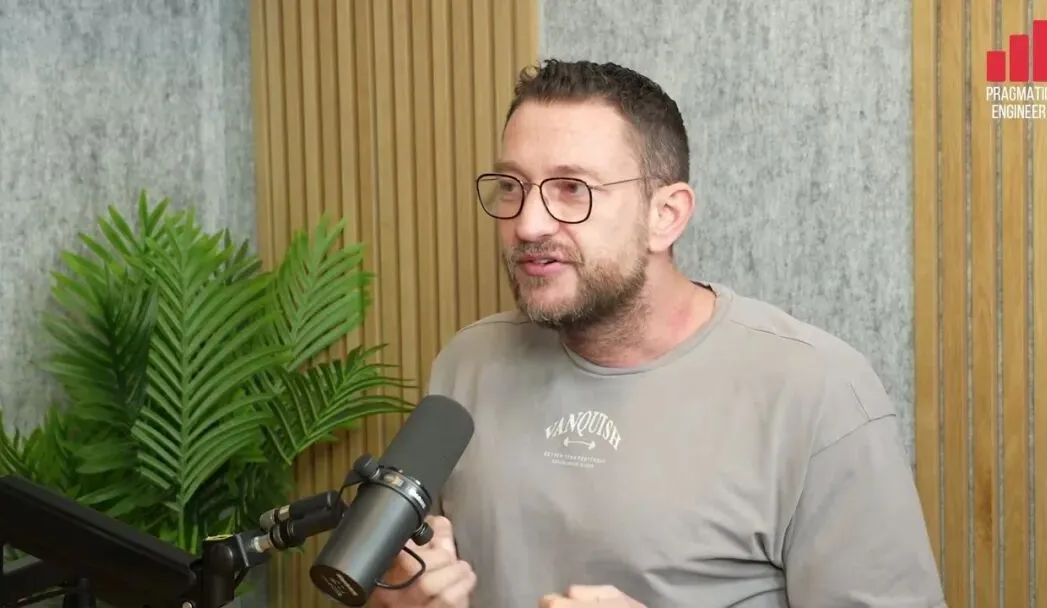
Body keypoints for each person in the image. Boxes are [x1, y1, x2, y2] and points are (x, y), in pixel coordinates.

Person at [370, 59, 946, 608]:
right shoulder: (468, 363)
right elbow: (403, 575)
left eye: (572, 188)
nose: (528, 223)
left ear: (665, 215)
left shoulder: (817, 393)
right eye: (512, 185)